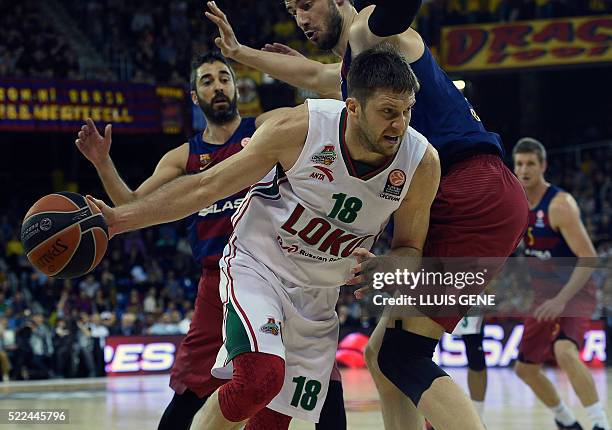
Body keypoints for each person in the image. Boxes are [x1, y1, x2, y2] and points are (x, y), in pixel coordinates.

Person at [204, 0, 528, 428]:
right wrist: (240, 53)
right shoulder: (358, 80)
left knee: (402, 355)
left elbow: (391, 17)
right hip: (479, 195)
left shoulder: (369, 33)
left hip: (466, 192)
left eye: (308, 4)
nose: (301, 18)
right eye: (292, 9)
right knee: (381, 356)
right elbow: (312, 75)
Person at [89, 46, 439, 430]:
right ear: (352, 107)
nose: (400, 125)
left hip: (318, 297)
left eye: (407, 111)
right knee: (258, 379)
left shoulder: (421, 162)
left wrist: (389, 266)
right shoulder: (300, 130)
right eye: (388, 112)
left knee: (274, 420)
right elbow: (206, 187)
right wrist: (121, 219)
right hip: (260, 265)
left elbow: (410, 247)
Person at [75, 52, 311, 430]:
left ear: (236, 87)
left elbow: (318, 119)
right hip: (216, 281)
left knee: (282, 388)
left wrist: (301, 71)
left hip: (274, 275)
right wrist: (104, 163)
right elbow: (133, 205)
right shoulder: (183, 156)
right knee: (190, 387)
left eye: (224, 78)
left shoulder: (266, 129)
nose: (217, 85)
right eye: (207, 80)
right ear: (194, 96)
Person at [513, 137, 610, 430]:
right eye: (519, 164)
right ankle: (567, 421)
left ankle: (600, 423)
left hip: (575, 292)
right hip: (543, 297)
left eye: (530, 163)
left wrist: (560, 300)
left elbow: (589, 258)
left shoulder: (560, 205)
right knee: (525, 370)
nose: (524, 169)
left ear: (543, 166)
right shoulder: (514, 205)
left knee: (564, 351)